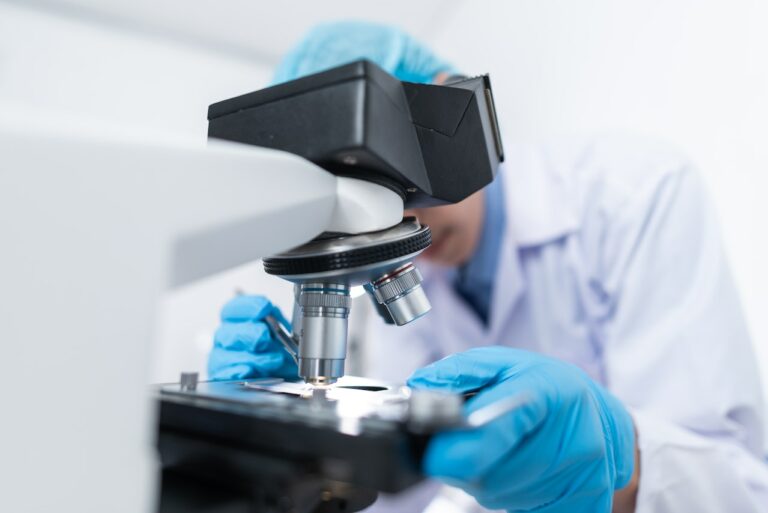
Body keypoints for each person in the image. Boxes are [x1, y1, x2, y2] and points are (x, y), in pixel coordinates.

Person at [207, 21, 768, 513]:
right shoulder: (400, 268)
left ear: (456, 122)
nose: (401, 235)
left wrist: (619, 455)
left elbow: (740, 485)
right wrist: (293, 449)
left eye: (397, 205)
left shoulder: (634, 195)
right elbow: (406, 484)